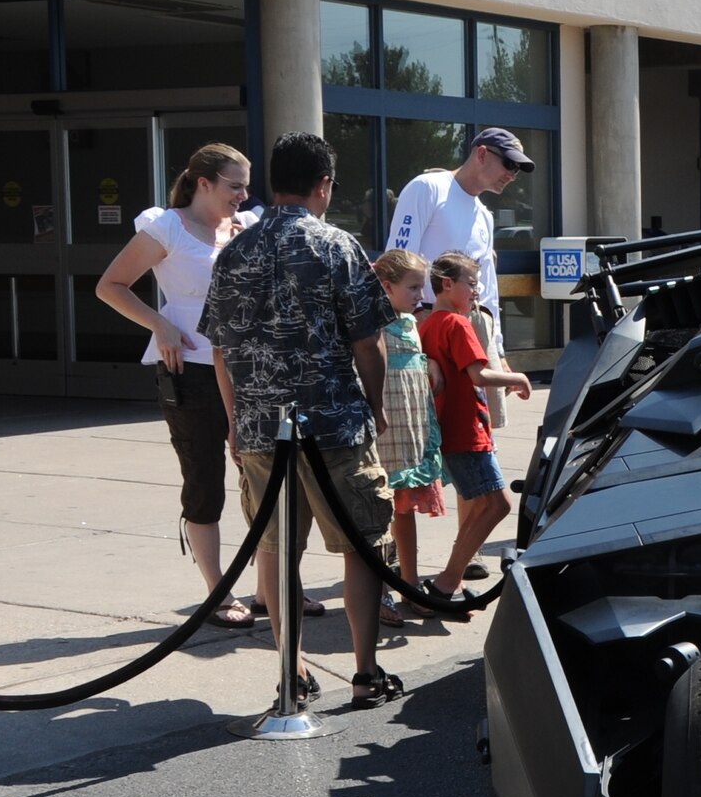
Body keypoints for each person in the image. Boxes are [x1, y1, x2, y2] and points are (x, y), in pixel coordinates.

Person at [201, 131, 402, 708]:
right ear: (324, 185)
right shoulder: (337, 245)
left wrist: (235, 420)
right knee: (362, 544)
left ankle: (292, 674)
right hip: (334, 423)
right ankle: (365, 673)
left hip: (262, 428)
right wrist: (376, 403)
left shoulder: (234, 251)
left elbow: (221, 350)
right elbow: (368, 342)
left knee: (275, 548)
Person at [95, 143, 263, 629]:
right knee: (205, 478)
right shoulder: (167, 226)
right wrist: (160, 324)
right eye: (235, 185)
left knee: (264, 476)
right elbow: (110, 286)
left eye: (246, 186)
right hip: (190, 369)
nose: (243, 195)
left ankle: (270, 586)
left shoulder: (247, 226)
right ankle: (218, 591)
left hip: (249, 368)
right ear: (203, 183)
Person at [384, 128, 530, 449]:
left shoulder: (484, 215)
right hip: (430, 323)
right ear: (481, 153)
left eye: (517, 169)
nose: (512, 175)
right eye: (509, 164)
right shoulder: (427, 188)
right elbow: (396, 262)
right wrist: (412, 335)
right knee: (432, 434)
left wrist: (499, 351)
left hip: (475, 327)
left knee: (478, 436)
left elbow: (488, 289)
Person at [418, 251, 533, 618]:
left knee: (485, 506)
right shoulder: (457, 323)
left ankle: (449, 581)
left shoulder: (429, 324)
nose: (477, 291)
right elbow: (478, 375)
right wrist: (518, 377)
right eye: (471, 284)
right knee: (499, 505)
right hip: (467, 431)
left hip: (452, 430)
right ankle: (447, 583)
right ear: (447, 284)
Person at [372, 248, 444, 626]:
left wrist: (429, 363)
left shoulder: (410, 322)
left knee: (404, 510)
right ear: (387, 286)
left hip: (411, 433)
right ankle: (379, 590)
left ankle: (410, 583)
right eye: (413, 287)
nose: (421, 295)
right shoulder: (372, 322)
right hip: (385, 435)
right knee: (378, 517)